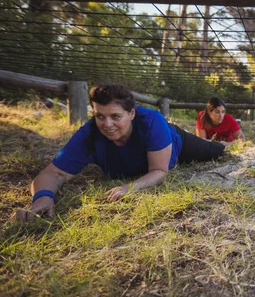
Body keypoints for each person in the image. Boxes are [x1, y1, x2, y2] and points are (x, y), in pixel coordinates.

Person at [15, 84, 225, 221]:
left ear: (132, 113)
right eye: (100, 116)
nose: (107, 124)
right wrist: (43, 198)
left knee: (218, 151)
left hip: (176, 142)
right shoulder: (89, 133)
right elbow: (52, 173)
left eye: (116, 116)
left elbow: (160, 171)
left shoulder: (152, 121)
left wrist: (130, 187)